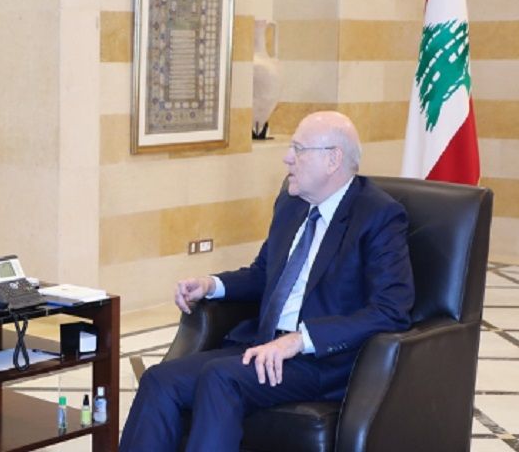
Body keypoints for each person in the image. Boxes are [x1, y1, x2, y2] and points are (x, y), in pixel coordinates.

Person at [119, 111, 415, 452]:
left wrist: (299, 340)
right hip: (263, 344)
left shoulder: (378, 215)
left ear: (333, 159)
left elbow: (390, 310)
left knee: (221, 378)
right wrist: (212, 284)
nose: (287, 158)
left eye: (298, 149)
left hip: (318, 360)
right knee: (159, 380)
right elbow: (264, 273)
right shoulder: (291, 203)